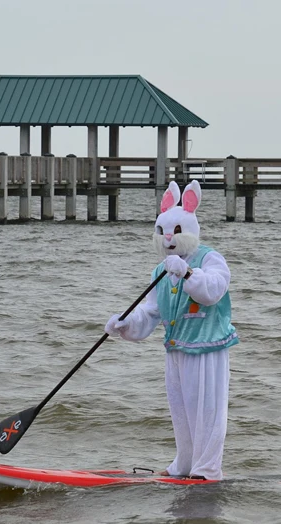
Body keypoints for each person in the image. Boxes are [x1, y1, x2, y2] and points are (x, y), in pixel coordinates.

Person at [104, 180, 238, 481]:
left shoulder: (210, 258)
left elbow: (213, 291)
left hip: (207, 346)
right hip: (176, 348)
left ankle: (207, 470)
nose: (169, 238)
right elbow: (151, 312)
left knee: (207, 411)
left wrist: (188, 272)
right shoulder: (160, 270)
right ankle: (184, 465)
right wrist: (125, 324)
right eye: (163, 232)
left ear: (189, 229)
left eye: (176, 232)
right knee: (181, 412)